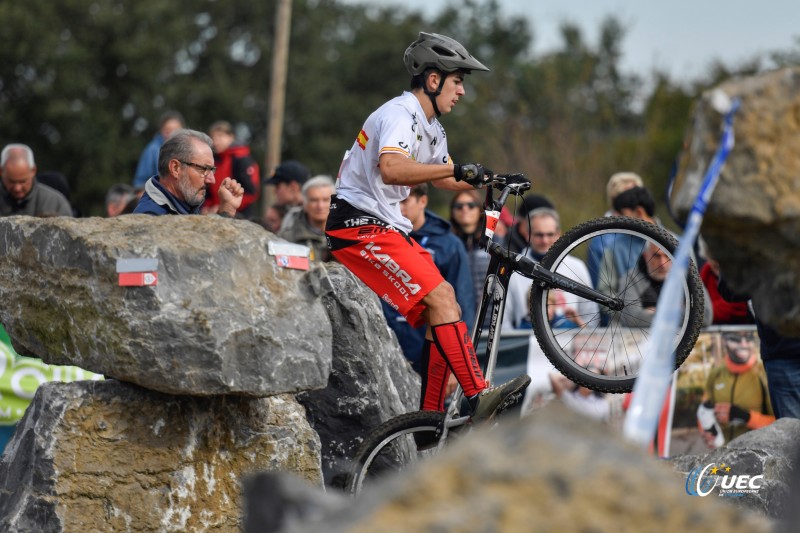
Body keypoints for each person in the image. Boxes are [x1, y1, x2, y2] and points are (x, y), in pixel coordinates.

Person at [325, 32, 530, 421]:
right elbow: (392, 168)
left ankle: (428, 418)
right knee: (440, 298)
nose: (463, 92)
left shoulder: (431, 126)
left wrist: (491, 179)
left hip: (384, 225)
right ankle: (479, 395)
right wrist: (456, 169)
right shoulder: (400, 115)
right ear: (433, 80)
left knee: (445, 300)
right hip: (358, 226)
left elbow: (442, 179)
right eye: (458, 81)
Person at [382, 183, 476, 372]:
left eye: (404, 201)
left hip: (431, 352)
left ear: (422, 201)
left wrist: (455, 364)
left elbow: (463, 304)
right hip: (387, 353)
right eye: (393, 201)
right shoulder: (381, 239)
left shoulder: (449, 245)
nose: (398, 208)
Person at [717, 273, 800, 419]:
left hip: (780, 353)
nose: (741, 343)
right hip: (782, 354)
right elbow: (728, 289)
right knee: (793, 438)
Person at [504, 207, 598, 330]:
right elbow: (504, 323)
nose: (545, 240)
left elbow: (592, 317)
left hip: (570, 345)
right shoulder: (513, 270)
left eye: (550, 234)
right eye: (539, 235)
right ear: (527, 234)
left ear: (559, 234)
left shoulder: (576, 267)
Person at [133, 129, 244, 216]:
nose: (212, 180)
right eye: (203, 169)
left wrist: (227, 208)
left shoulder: (184, 204)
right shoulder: (152, 219)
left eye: (212, 170)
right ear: (175, 168)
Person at [699, 331, 775, 446]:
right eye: (735, 338)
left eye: (749, 337)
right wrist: (707, 433)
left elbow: (782, 425)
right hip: (722, 455)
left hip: (756, 454)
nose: (743, 343)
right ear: (724, 340)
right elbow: (703, 411)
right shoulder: (715, 374)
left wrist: (746, 417)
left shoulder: (766, 374)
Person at [206, 121, 261, 218]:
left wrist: (226, 206)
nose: (216, 141)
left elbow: (251, 192)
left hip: (241, 215)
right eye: (213, 138)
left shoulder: (241, 159)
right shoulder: (213, 159)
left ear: (231, 137)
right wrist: (207, 206)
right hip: (217, 213)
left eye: (220, 136)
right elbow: (208, 189)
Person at [0, 144, 72, 217]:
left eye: (23, 181)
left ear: (33, 171)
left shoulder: (55, 203)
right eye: (11, 181)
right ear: (1, 172)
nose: (17, 188)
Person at [278, 175, 336, 262]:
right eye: (314, 200)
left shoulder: (348, 237)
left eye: (325, 200)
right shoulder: (287, 238)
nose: (320, 206)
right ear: (305, 204)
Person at [449, 190, 490, 308]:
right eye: (459, 206)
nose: (465, 209)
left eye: (471, 205)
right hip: (456, 314)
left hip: (488, 315)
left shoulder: (494, 241)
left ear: (479, 210)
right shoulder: (447, 243)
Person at [132, 110, 186, 187]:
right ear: (161, 131)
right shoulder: (152, 150)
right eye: (168, 130)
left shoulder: (188, 150)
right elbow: (140, 181)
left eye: (176, 131)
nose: (171, 134)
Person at [700, 252, 754, 325]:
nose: (716, 262)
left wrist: (704, 311)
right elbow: (699, 297)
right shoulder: (707, 271)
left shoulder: (739, 271)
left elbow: (739, 305)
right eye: (712, 258)